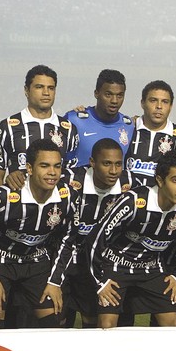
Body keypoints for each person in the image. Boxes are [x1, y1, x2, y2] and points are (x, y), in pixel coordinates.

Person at [87, 151, 176, 329]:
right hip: (117, 265)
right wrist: (100, 282)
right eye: (175, 180)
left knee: (173, 325)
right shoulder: (133, 201)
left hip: (152, 268)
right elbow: (96, 238)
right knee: (107, 326)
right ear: (160, 181)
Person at [0, 139, 77, 328]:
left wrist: (55, 282)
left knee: (53, 321)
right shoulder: (7, 197)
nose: (52, 172)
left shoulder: (68, 197)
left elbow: (68, 239)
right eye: (44, 166)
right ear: (30, 169)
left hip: (35, 262)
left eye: (57, 166)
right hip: (2, 262)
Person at [63, 138, 131, 328]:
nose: (113, 170)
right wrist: (16, 176)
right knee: (58, 319)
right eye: (107, 163)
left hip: (98, 259)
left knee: (91, 320)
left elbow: (161, 186)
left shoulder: (129, 182)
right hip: (66, 256)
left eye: (118, 164)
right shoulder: (70, 179)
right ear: (92, 163)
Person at [0, 64, 78, 188]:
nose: (46, 93)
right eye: (39, 87)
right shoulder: (8, 126)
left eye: (51, 88)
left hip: (55, 204)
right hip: (18, 203)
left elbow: (71, 172)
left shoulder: (69, 129)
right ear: (26, 90)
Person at [64, 69, 133, 166]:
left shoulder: (129, 126)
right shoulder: (74, 120)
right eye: (108, 94)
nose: (114, 100)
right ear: (96, 93)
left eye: (119, 95)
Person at [124, 80, 176, 187]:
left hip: (162, 202)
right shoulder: (126, 128)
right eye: (153, 100)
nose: (159, 106)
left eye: (165, 102)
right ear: (142, 103)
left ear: (171, 106)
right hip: (127, 199)